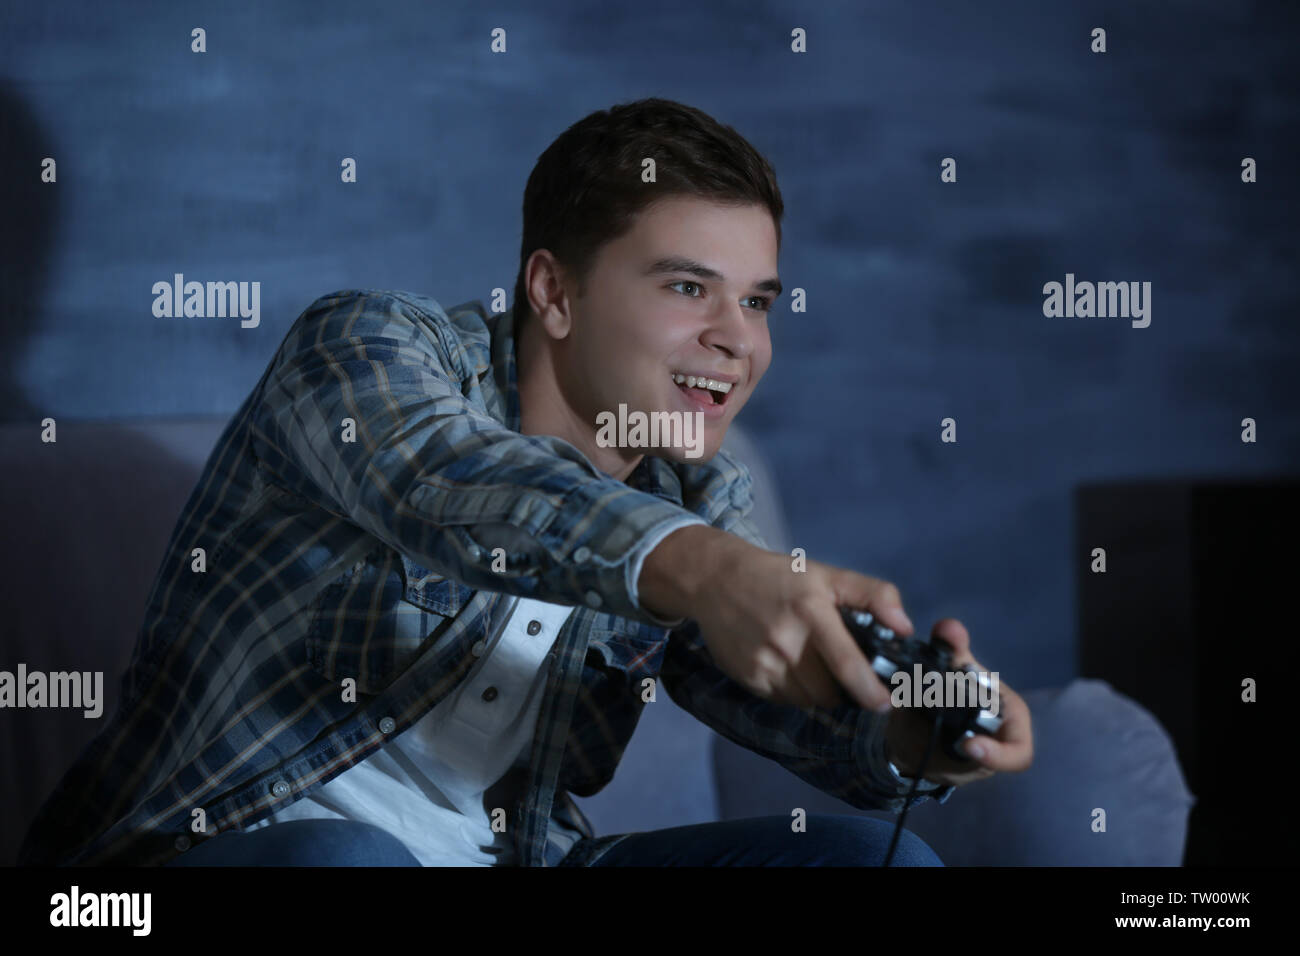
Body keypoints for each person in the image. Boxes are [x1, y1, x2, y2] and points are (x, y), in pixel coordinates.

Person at [17, 97, 1031, 869]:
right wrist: (705, 570)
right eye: (687, 287)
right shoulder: (367, 343)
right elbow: (445, 480)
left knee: (873, 858)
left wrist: (913, 725)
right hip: (209, 850)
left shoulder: (699, 491)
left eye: (757, 299)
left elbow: (784, 705)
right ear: (552, 289)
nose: (738, 340)